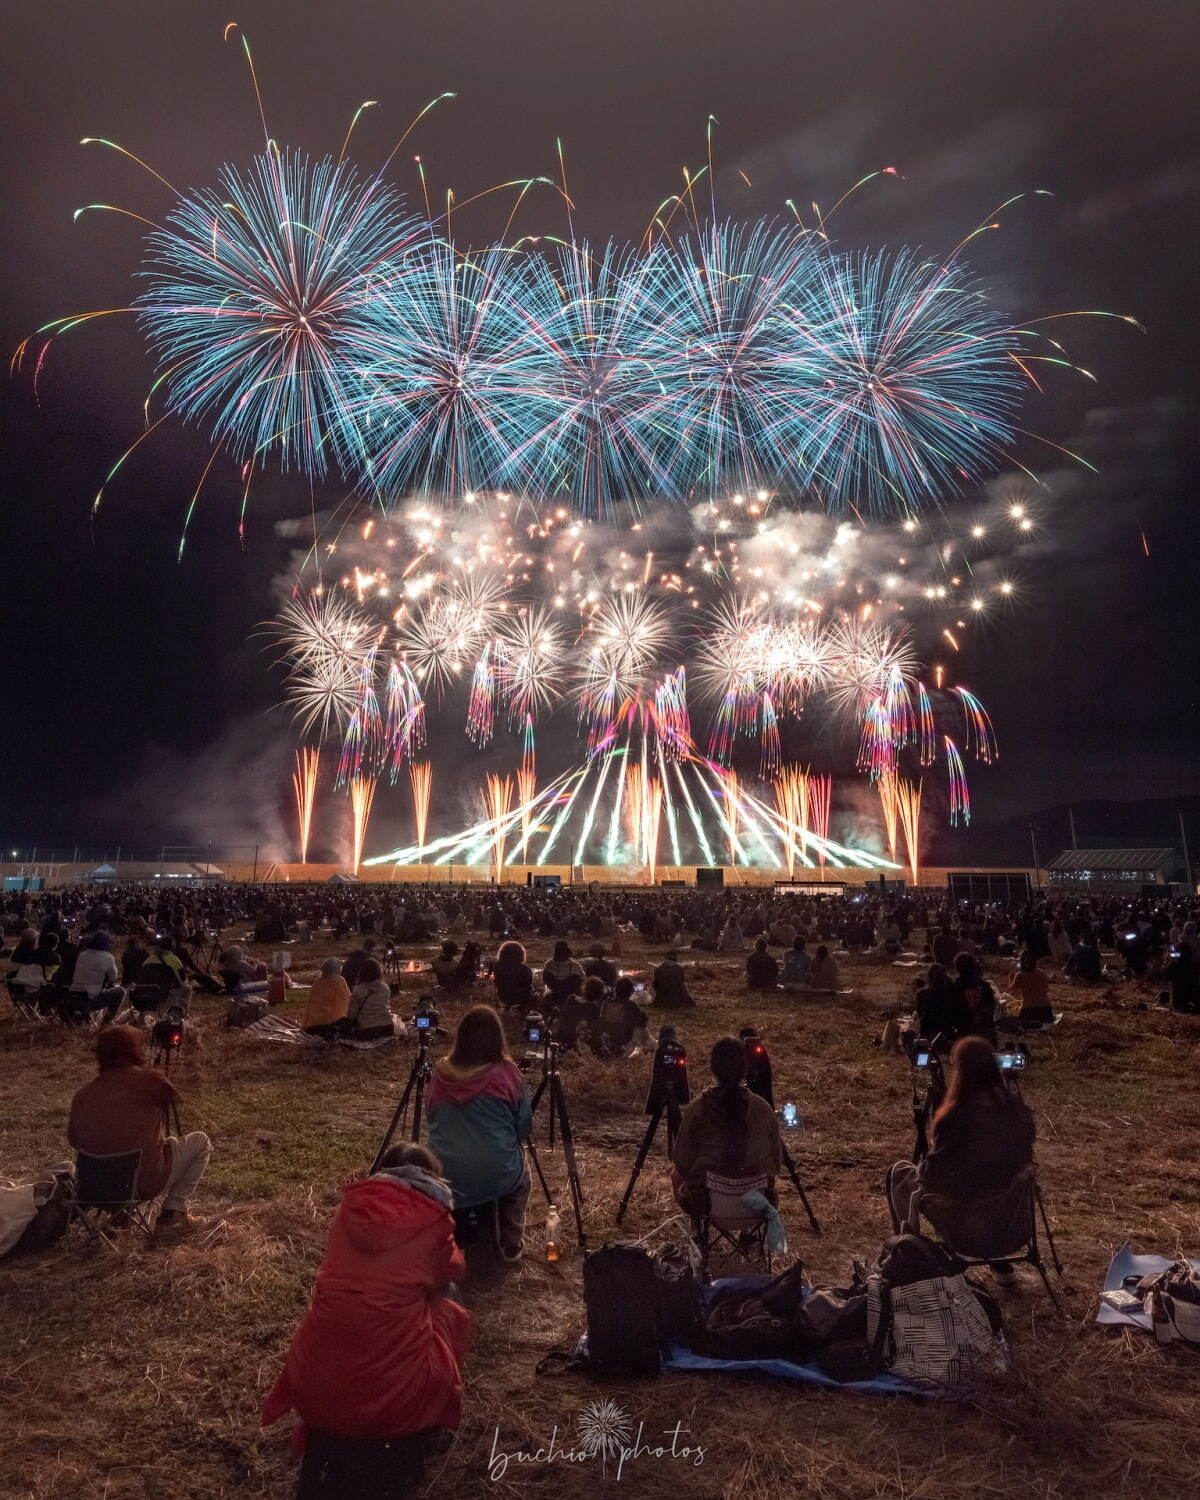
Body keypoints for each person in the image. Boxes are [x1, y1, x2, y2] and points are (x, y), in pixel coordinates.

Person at [262, 1143, 474, 1500]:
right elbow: (454, 1270)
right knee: (448, 1296)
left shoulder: (350, 1209)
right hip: (391, 1407)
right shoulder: (435, 1220)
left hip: (313, 1391)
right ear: (433, 1180)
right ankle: (430, 1410)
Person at [886, 1036, 1036, 1278]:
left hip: (970, 1232)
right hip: (1013, 1229)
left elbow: (931, 1176)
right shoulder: (1017, 1111)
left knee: (900, 1173)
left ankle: (909, 1256)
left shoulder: (956, 1119)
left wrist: (930, 1155)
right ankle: (1000, 1268)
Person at [67, 1025, 211, 1238]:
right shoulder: (151, 1082)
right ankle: (174, 1213)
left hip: (92, 1189)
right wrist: (165, 1073)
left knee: (139, 1145)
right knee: (200, 1141)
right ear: (135, 1050)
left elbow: (74, 1139)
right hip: (139, 1184)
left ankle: (121, 1216)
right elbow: (176, 1098)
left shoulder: (83, 1094)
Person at [427, 1006, 532, 1262]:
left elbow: (431, 1117)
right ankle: (510, 1241)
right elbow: (524, 1126)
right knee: (522, 1177)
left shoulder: (440, 1073)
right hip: (496, 1172)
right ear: (498, 1038)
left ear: (461, 1037)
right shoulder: (507, 1073)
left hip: (443, 1170)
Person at [671, 1036, 783, 1215]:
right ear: (745, 1069)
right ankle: (749, 1234)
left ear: (712, 1068)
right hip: (756, 1206)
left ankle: (697, 1230)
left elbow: (682, 1162)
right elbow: (776, 1163)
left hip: (705, 1204)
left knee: (676, 1174)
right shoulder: (762, 1108)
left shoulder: (698, 1109)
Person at [67, 931, 127, 1022]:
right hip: (90, 1000)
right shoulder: (108, 957)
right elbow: (113, 978)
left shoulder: (82, 954)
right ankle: (106, 1023)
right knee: (121, 991)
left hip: (72, 997)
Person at [594, 977, 649, 1057]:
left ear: (615, 990)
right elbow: (644, 1021)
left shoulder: (606, 1002)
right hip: (623, 1046)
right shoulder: (630, 1005)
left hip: (605, 1043)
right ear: (630, 992)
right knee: (640, 1025)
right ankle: (641, 1047)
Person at [951, 953, 998, 1044]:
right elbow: (991, 1008)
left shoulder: (955, 988)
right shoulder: (985, 986)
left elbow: (953, 1012)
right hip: (985, 1032)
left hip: (964, 1032)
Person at [345, 959, 396, 1041]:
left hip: (367, 1031)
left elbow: (351, 1015)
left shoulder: (358, 990)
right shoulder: (385, 988)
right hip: (387, 1028)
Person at [915, 964, 967, 1042]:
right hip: (947, 1033)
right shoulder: (950, 994)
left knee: (922, 1051)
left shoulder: (921, 994)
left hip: (928, 1033)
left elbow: (920, 1015)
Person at [303, 957, 352, 1039]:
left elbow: (309, 1006)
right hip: (332, 1025)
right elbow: (349, 1000)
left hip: (313, 1026)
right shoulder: (339, 981)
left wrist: (305, 1024)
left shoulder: (317, 983)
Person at [1009, 950, 1054, 1029]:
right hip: (1045, 1010)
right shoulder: (1042, 973)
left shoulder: (1020, 975)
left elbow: (1012, 989)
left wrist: (1011, 974)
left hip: (1029, 1010)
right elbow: (1046, 989)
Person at [492, 940, 535, 1012]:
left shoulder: (497, 966)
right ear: (520, 954)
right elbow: (528, 985)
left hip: (502, 995)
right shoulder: (525, 969)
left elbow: (494, 979)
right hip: (519, 996)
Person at [541, 941, 585, 1008]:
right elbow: (584, 981)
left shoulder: (549, 965)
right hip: (572, 998)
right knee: (575, 978)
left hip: (555, 997)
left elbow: (544, 981)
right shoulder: (576, 966)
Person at [1163, 943, 1200, 1014]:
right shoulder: (1195, 965)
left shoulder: (1175, 966)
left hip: (1179, 1003)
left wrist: (1167, 963)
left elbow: (1164, 976)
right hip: (1194, 1001)